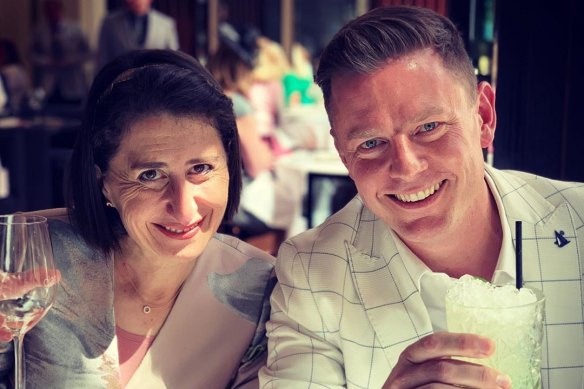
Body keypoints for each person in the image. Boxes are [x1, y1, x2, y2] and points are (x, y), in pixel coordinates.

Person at [259, 6, 584, 389]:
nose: (406, 167)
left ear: (483, 116)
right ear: (343, 153)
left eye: (429, 127)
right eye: (370, 142)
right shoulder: (312, 273)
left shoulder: (578, 222)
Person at [0, 49, 275, 388]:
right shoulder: (30, 254)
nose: (185, 208)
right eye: (150, 175)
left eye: (201, 168)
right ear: (104, 183)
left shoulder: (261, 289)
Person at [208, 28, 301, 239]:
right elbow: (257, 164)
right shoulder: (237, 105)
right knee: (297, 205)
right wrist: (268, 155)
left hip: (212, 194)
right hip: (239, 202)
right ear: (243, 70)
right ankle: (282, 264)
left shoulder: (204, 100)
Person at [30, 0, 91, 105]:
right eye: (48, 12)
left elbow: (88, 52)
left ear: (60, 10)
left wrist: (70, 60)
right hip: (49, 84)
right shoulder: (39, 31)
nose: (51, 15)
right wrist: (46, 61)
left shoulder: (75, 28)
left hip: (72, 83)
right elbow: (31, 53)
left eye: (53, 11)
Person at [97, 0, 179, 71]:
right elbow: (102, 59)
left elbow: (173, 59)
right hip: (120, 82)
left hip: (156, 82)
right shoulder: (110, 23)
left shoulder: (166, 24)